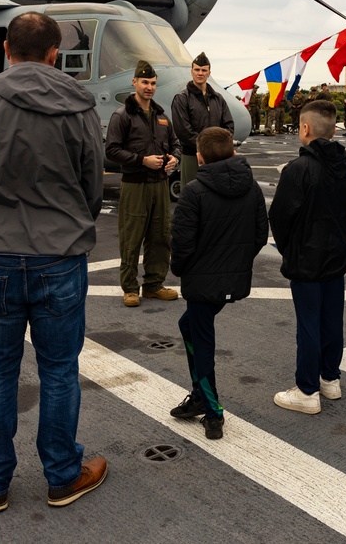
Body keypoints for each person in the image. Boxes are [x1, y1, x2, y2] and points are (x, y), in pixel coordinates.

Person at [0, 12, 107, 513]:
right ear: (55, 53)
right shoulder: (80, 107)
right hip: (59, 256)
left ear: (6, 49)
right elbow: (92, 189)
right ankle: (62, 474)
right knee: (59, 371)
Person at [168, 127, 268, 439]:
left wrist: (184, 270)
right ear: (232, 151)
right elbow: (259, 236)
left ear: (200, 156)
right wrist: (235, 265)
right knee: (190, 328)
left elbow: (181, 245)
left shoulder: (194, 191)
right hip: (231, 281)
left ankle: (212, 410)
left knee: (202, 342)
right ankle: (200, 394)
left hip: (201, 283)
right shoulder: (251, 187)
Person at [270, 100, 346, 415]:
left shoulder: (298, 169)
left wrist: (288, 249)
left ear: (305, 128)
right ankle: (329, 378)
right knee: (332, 319)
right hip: (336, 256)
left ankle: (307, 390)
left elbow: (279, 217)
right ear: (332, 130)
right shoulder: (344, 165)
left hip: (306, 258)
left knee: (309, 323)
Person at [105, 60, 182, 307]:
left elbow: (175, 143)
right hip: (135, 185)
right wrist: (141, 160)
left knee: (160, 235)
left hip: (159, 184)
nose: (149, 87)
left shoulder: (161, 116)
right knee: (131, 237)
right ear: (134, 82)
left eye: (153, 83)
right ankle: (130, 287)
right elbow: (112, 150)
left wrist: (174, 159)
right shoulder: (122, 115)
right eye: (145, 82)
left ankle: (153, 285)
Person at [171, 52, 234, 189]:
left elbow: (229, 126)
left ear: (209, 73)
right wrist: (206, 149)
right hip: (192, 156)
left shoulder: (218, 99)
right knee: (191, 194)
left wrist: (216, 149)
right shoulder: (182, 98)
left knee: (216, 195)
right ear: (191, 72)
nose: (200, 73)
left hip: (216, 158)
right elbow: (183, 131)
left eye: (204, 70)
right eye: (197, 70)